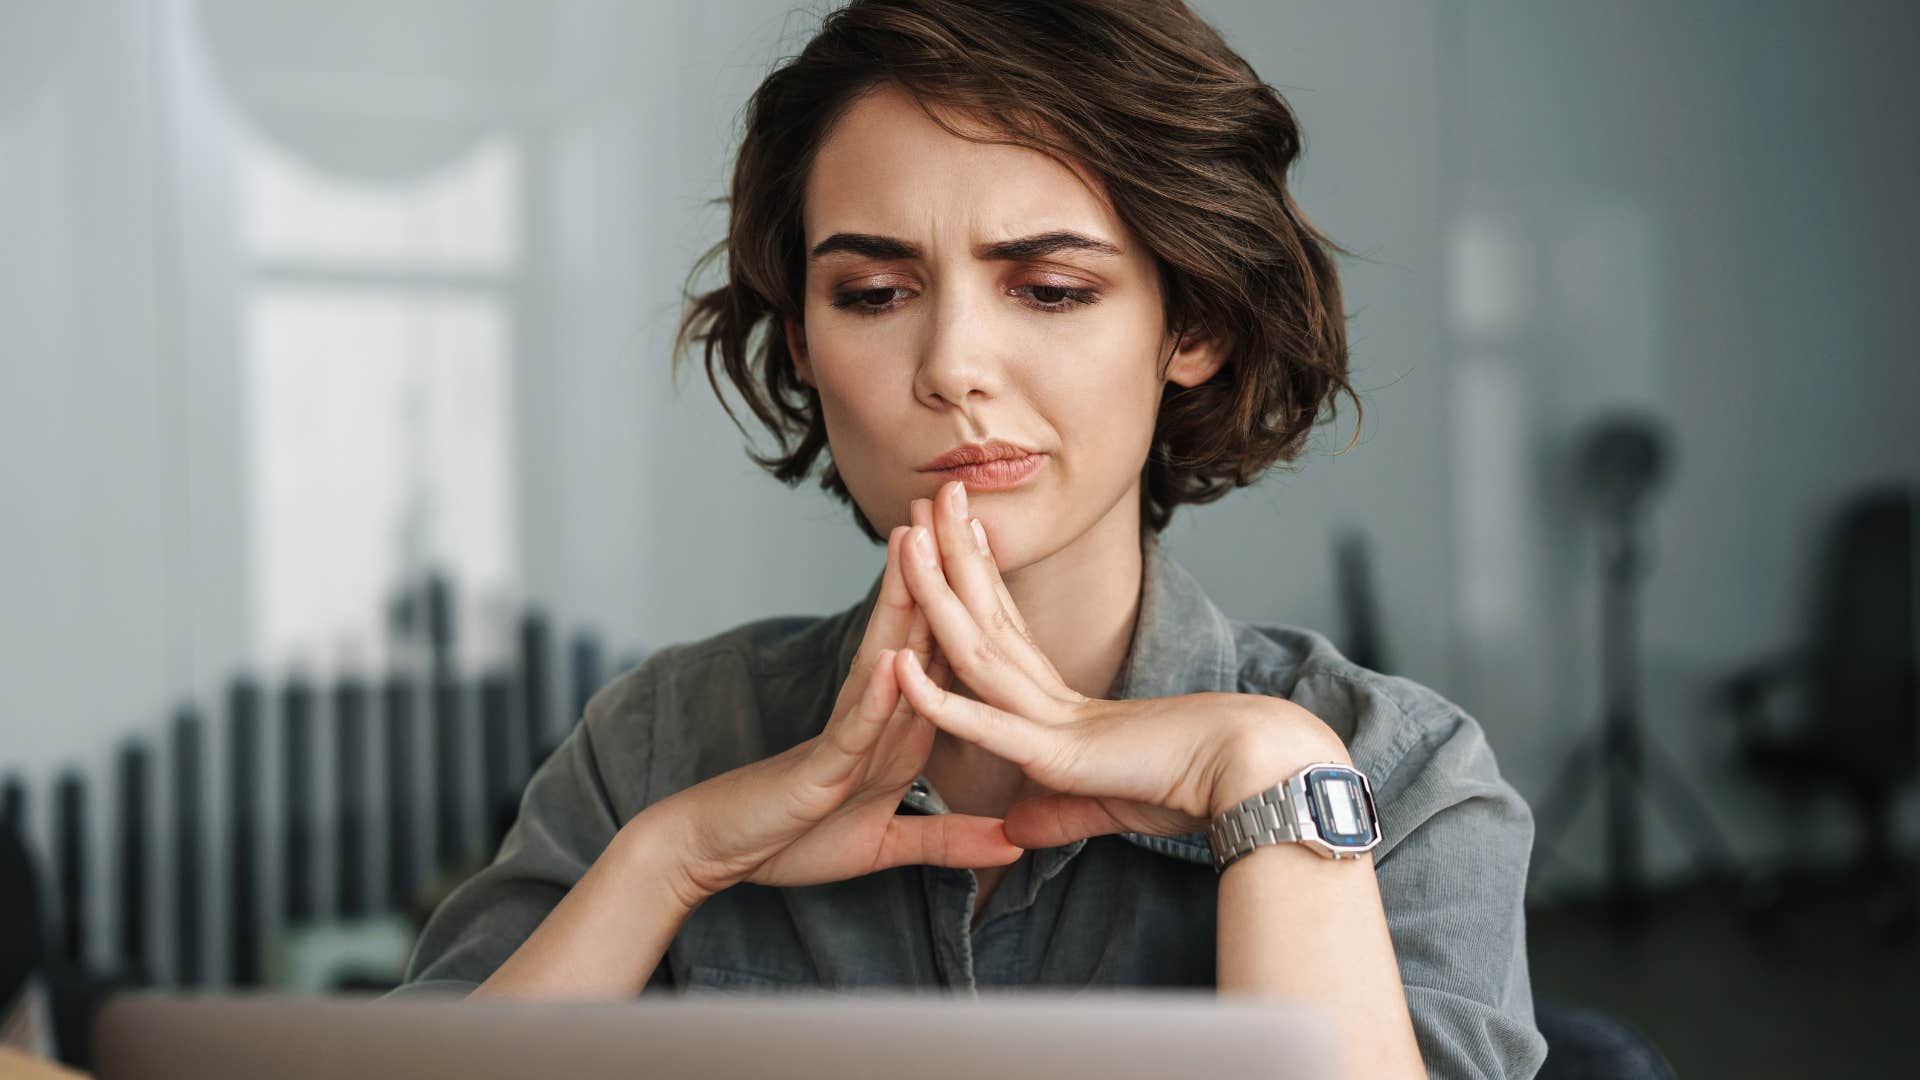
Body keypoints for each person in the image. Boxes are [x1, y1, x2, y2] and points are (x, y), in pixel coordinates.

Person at [393, 1, 1547, 1076]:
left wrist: (1269, 779)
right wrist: (670, 862)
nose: (950, 367)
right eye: (874, 294)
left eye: (1047, 289)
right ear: (801, 342)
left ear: (1191, 321)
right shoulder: (661, 744)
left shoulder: (1401, 778)